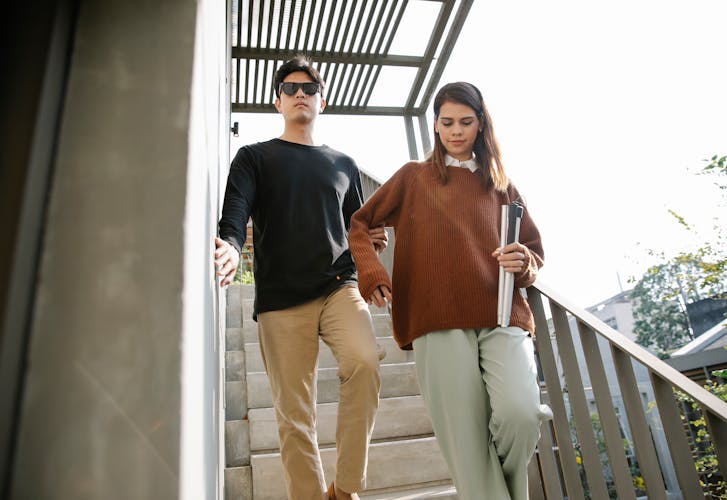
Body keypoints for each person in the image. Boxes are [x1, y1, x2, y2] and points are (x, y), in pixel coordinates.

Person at [347, 82, 552, 499]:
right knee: (467, 440)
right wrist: (372, 273)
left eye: (466, 122)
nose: (456, 131)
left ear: (481, 126)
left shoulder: (503, 187)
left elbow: (534, 253)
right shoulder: (413, 177)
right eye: (447, 122)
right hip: (436, 319)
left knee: (522, 413)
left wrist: (523, 262)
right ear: (435, 127)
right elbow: (360, 224)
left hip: (502, 316)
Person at [214, 55, 387, 500]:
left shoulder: (344, 164)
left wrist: (372, 244)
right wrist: (231, 244)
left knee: (365, 362)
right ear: (277, 102)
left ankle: (345, 488)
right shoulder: (254, 157)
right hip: (280, 300)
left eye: (308, 89)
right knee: (294, 416)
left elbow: (359, 228)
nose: (299, 95)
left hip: (338, 287)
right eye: (289, 88)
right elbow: (235, 209)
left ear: (321, 101)